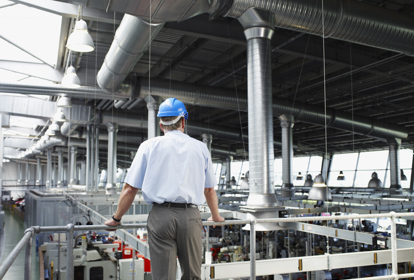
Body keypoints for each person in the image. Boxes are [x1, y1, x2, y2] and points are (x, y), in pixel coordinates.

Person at [104, 98, 225, 280]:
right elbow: (209, 190)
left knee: (163, 276)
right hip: (190, 217)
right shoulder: (200, 148)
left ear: (161, 125)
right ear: (183, 121)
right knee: (192, 275)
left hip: (161, 217)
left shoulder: (148, 147)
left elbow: (130, 189)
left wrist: (116, 218)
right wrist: (215, 216)